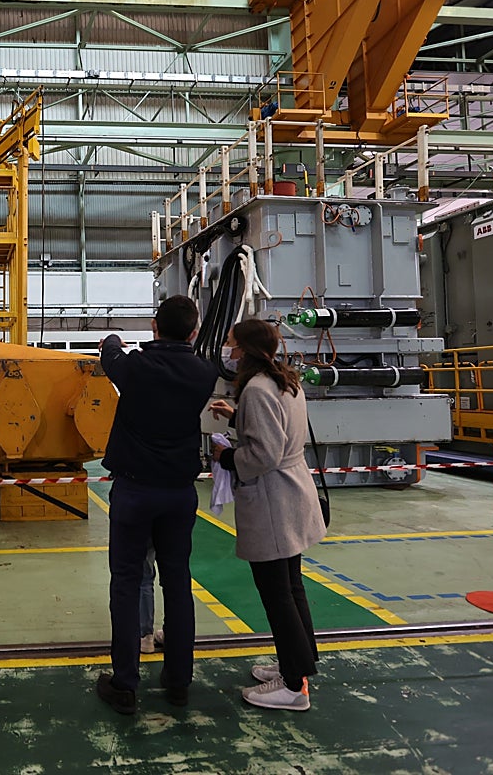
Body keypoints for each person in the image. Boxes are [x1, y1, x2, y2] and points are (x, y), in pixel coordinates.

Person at [96, 295, 219, 715]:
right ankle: (179, 681)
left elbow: (110, 355)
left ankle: (125, 684)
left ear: (154, 326)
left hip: (134, 491)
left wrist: (114, 339)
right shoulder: (204, 372)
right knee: (178, 583)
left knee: (126, 583)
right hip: (179, 493)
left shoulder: (136, 367)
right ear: (194, 332)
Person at [210, 319, 327, 712]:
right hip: (293, 491)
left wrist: (226, 456)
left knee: (277, 593)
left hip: (274, 500)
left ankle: (293, 687)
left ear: (245, 349)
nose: (228, 350)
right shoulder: (285, 381)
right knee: (291, 586)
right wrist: (236, 416)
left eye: (231, 342)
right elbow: (278, 429)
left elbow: (264, 453)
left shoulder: (257, 389)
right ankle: (299, 661)